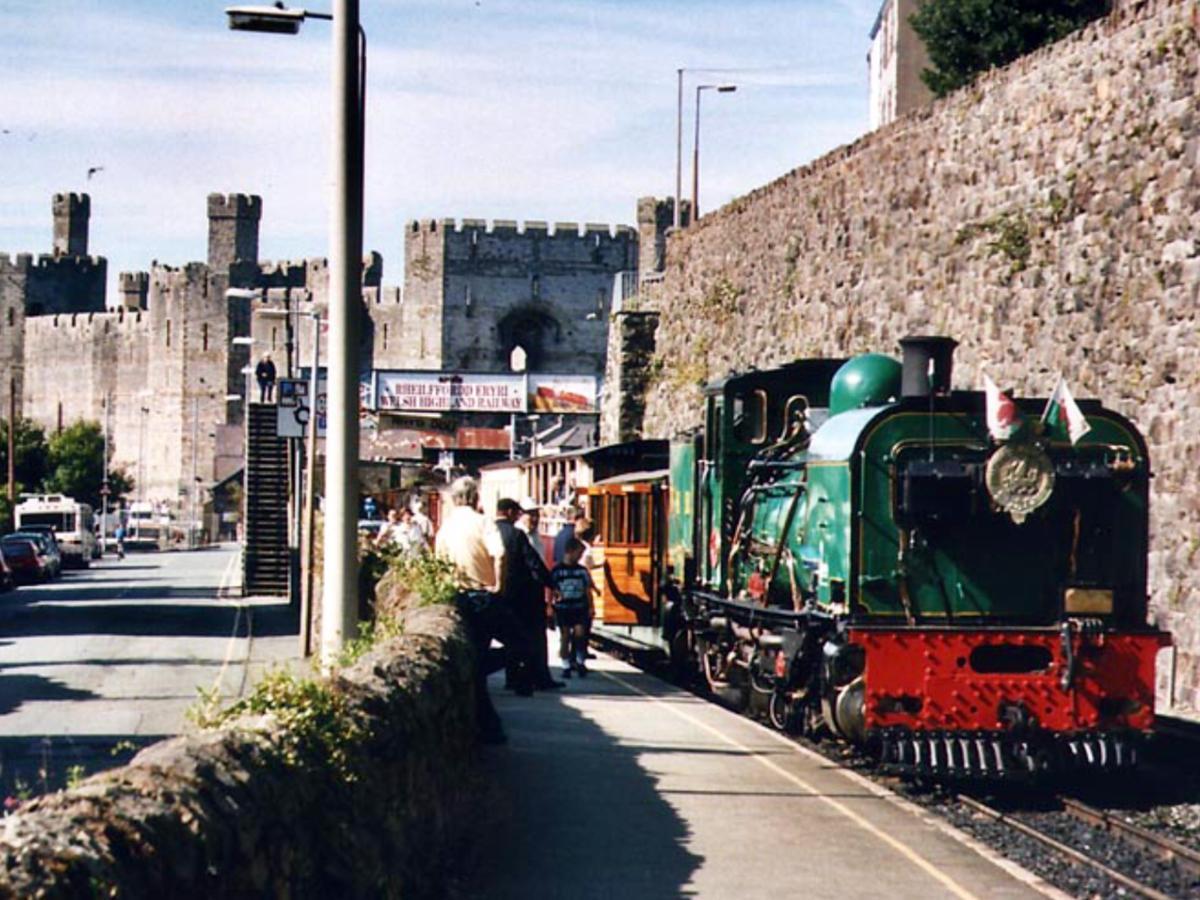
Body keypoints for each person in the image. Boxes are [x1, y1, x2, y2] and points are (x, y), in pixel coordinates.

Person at [436, 477, 530, 744]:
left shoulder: (446, 527)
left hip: (458, 596)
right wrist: (498, 584)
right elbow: (499, 553)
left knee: (476, 661)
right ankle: (489, 725)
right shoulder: (482, 522)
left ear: (455, 499)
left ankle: (489, 726)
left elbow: (439, 561)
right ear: (475, 497)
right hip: (484, 595)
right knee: (522, 644)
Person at [495, 497, 560, 691]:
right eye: (517, 513)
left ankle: (511, 676)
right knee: (532, 638)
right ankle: (535, 678)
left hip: (495, 593)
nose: (519, 516)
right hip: (522, 595)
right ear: (509, 512)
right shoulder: (516, 535)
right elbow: (534, 564)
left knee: (509, 637)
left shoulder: (488, 532)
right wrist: (551, 584)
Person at [550, 538, 596, 677]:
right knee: (565, 636)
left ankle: (580, 661)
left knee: (580, 635)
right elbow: (551, 589)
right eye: (578, 553)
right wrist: (549, 606)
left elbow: (587, 589)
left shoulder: (582, 571)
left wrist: (591, 607)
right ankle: (566, 665)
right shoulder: (557, 570)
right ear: (569, 551)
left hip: (579, 606)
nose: (580, 557)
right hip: (563, 607)